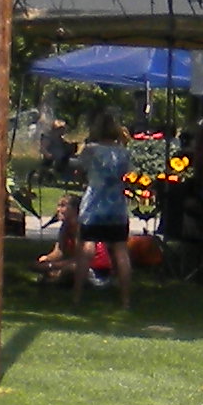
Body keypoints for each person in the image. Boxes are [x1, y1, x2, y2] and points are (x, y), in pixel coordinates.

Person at [71, 114, 135, 308]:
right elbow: (127, 175)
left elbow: (80, 172)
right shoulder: (123, 153)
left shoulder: (90, 150)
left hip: (94, 206)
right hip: (116, 206)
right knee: (120, 251)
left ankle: (77, 296)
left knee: (86, 249)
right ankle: (125, 299)